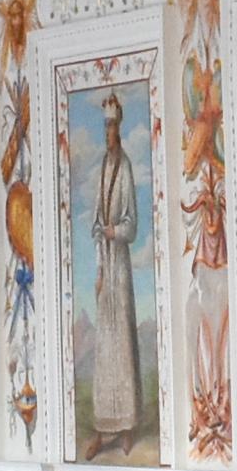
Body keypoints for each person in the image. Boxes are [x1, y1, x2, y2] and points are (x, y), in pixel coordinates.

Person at [81, 99, 145, 446]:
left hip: (120, 263)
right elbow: (95, 218)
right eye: (105, 128)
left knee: (121, 340)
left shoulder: (126, 167)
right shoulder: (104, 167)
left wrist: (113, 233)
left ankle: (126, 425)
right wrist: (98, 268)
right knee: (105, 345)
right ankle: (104, 424)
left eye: (112, 128)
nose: (108, 134)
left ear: (118, 130)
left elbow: (131, 225)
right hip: (106, 265)